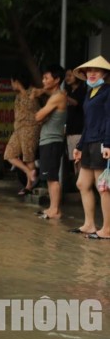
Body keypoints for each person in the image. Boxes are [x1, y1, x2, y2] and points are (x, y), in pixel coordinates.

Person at [69, 56, 110, 239]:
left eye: (97, 70)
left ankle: (107, 229)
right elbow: (88, 123)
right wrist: (79, 145)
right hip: (89, 143)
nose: (92, 74)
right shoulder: (89, 93)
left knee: (103, 187)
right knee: (82, 183)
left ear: (105, 73)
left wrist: (108, 143)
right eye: (89, 71)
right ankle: (89, 224)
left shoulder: (108, 91)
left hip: (102, 142)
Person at [30, 65, 67, 219]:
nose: (44, 81)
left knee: (52, 177)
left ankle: (55, 210)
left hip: (52, 140)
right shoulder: (55, 95)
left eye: (47, 78)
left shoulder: (58, 96)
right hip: (49, 140)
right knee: (49, 177)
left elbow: (38, 117)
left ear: (57, 80)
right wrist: (42, 92)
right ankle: (52, 208)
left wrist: (35, 100)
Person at [3, 75, 41, 196]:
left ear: (17, 81)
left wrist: (24, 90)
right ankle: (29, 173)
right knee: (9, 154)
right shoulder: (18, 96)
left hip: (30, 128)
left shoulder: (32, 92)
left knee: (28, 157)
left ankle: (29, 186)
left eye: (12, 82)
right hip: (18, 128)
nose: (11, 85)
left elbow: (33, 108)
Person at [64, 67, 87, 175]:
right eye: (66, 76)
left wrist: (66, 97)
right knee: (74, 159)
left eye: (70, 75)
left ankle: (82, 182)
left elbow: (77, 103)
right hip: (71, 130)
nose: (67, 78)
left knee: (79, 158)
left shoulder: (82, 91)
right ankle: (79, 182)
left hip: (78, 130)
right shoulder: (70, 92)